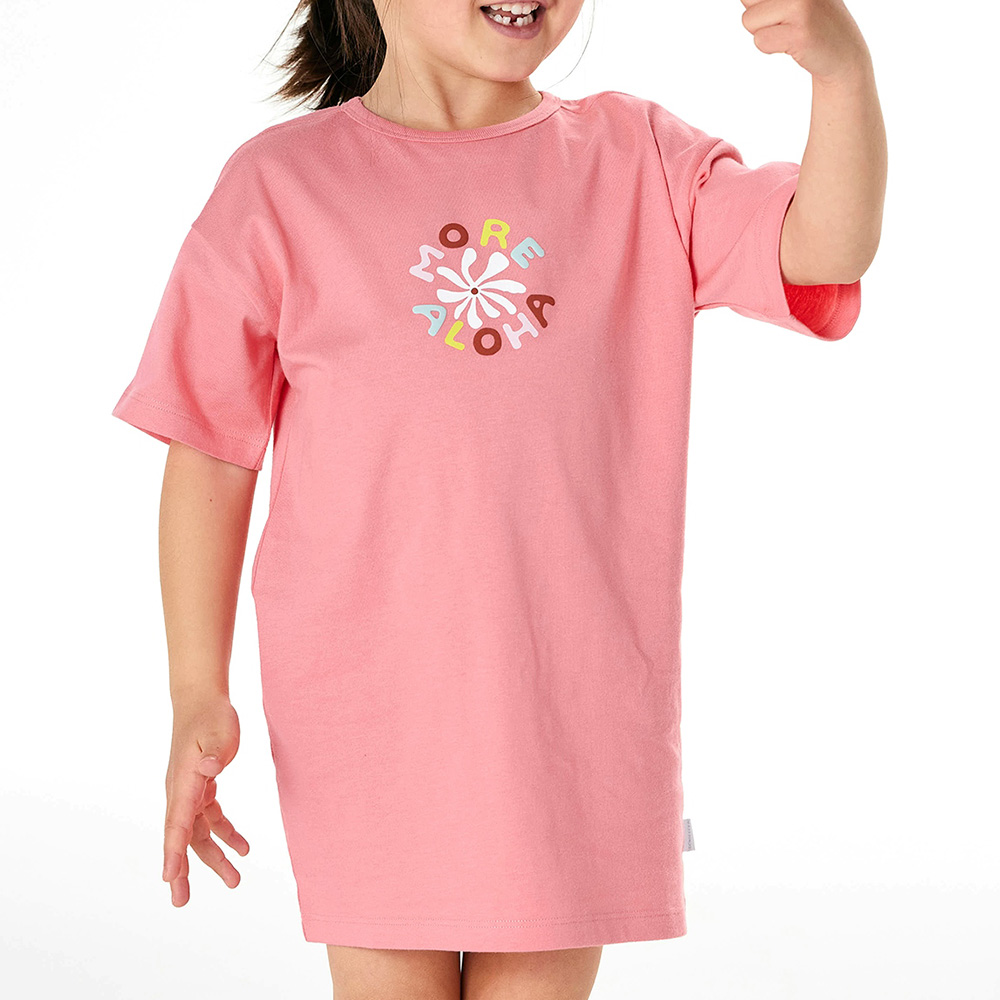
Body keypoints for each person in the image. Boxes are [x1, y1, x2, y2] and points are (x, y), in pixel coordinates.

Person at [110, 0, 886, 996]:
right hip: (369, 722)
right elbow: (211, 449)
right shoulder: (280, 188)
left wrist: (843, 77)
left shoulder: (638, 160)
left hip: (570, 722)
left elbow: (823, 248)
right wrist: (195, 689)